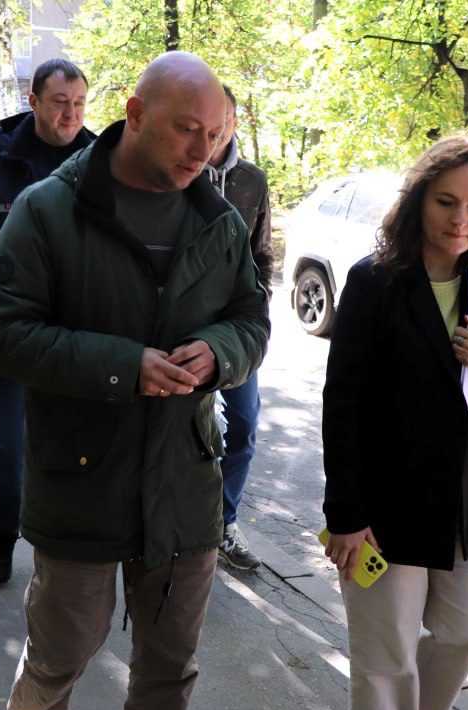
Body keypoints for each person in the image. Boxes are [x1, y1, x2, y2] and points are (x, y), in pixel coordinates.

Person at [0, 51, 269, 710]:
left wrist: (220, 352)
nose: (202, 148)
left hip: (184, 480)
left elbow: (252, 319)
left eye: (215, 133)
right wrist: (121, 364)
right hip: (81, 474)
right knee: (66, 640)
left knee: (170, 658)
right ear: (134, 115)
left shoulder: (219, 220)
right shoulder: (49, 208)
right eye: (186, 129)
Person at [320, 134, 468, 710]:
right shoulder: (374, 281)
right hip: (386, 495)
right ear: (419, 200)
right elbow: (343, 400)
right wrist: (347, 515)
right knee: (387, 636)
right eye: (446, 202)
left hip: (464, 494)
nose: (461, 219)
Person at [0, 58, 96, 584]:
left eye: (79, 104)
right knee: (11, 449)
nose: (71, 114)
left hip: (80, 341)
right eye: (60, 103)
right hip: (11, 339)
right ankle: (4, 534)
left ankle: (66, 549)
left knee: (79, 451)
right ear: (33, 102)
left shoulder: (103, 163)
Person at [202, 84, 272, 571]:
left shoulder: (252, 181)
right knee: (182, 432)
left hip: (237, 329)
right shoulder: (180, 171)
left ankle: (224, 523)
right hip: (185, 328)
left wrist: (258, 312)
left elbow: (262, 254)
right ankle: (180, 526)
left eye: (223, 119)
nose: (215, 130)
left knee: (243, 427)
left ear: (234, 121)